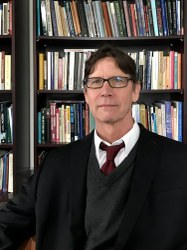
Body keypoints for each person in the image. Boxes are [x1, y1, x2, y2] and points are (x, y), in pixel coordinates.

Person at [0, 44, 187, 250]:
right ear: (87, 94)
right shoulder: (56, 164)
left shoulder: (179, 161)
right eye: (96, 82)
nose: (106, 91)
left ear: (135, 90)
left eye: (118, 80)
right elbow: (8, 224)